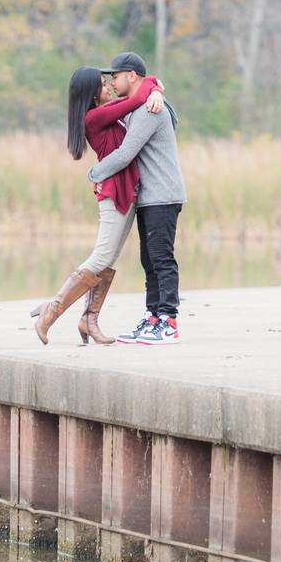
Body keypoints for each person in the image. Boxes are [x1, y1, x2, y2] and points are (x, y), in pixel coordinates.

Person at [31, 65, 165, 345]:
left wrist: (155, 89)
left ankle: (89, 320)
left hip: (126, 191)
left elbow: (136, 98)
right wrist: (153, 85)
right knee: (101, 257)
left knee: (109, 258)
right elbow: (137, 99)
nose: (110, 88)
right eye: (104, 85)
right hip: (114, 193)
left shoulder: (105, 113)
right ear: (92, 94)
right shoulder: (96, 116)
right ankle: (50, 313)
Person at [88, 52, 188, 345]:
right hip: (149, 197)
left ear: (131, 76)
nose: (111, 82)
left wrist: (94, 173)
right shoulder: (141, 104)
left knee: (161, 257)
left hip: (162, 195)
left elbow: (126, 152)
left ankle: (168, 321)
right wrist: (156, 86)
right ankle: (153, 316)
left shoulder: (148, 110)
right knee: (149, 259)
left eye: (115, 76)